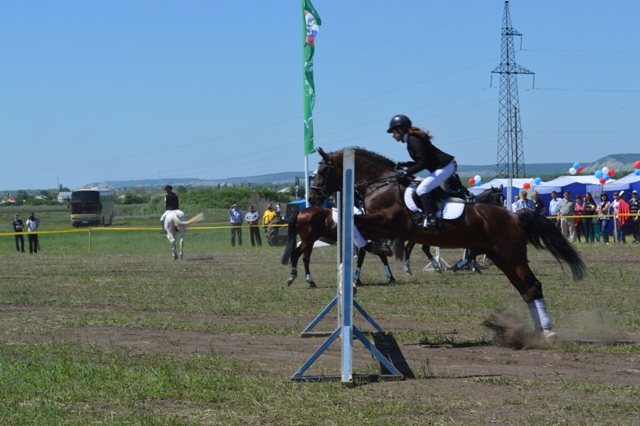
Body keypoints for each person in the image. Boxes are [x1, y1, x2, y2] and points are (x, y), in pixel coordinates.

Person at [388, 114, 455, 234]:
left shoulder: (413, 140)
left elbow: (423, 163)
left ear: (400, 129)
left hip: (446, 166)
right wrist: (406, 165)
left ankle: (432, 221)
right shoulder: (411, 140)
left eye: (394, 132)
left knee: (422, 189)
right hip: (441, 167)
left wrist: (405, 172)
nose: (393, 136)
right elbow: (422, 160)